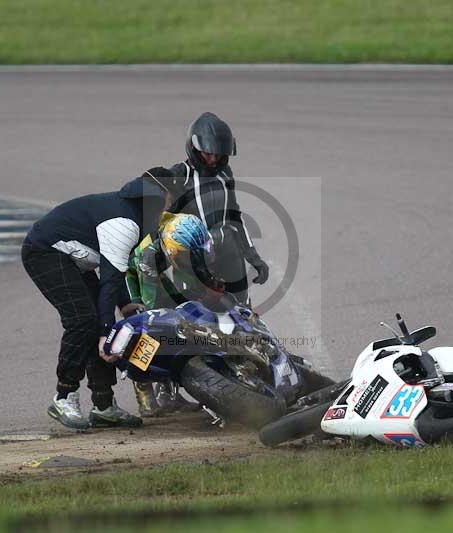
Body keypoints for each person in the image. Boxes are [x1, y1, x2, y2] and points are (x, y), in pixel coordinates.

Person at [21, 167, 175, 429]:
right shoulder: (124, 222)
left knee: (100, 323)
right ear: (158, 198)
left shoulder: (132, 213)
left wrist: (125, 303)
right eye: (169, 201)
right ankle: (64, 396)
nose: (168, 209)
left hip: (71, 257)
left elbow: (114, 268)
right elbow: (109, 280)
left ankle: (104, 406)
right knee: (83, 320)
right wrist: (106, 332)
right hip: (44, 251)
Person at [124, 212, 225, 416]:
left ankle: (169, 394)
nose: (192, 258)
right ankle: (144, 394)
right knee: (150, 330)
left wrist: (207, 285)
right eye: (187, 255)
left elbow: (191, 269)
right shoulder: (149, 256)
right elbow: (150, 303)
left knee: (181, 313)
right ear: (172, 251)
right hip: (134, 280)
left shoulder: (183, 229)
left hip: (158, 275)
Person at [165, 112, 269, 304]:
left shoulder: (225, 174)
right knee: (193, 315)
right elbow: (163, 225)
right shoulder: (178, 175)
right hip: (193, 259)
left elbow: (235, 216)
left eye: (218, 155)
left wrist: (254, 257)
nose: (213, 160)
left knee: (241, 312)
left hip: (228, 252)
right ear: (194, 149)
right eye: (207, 154)